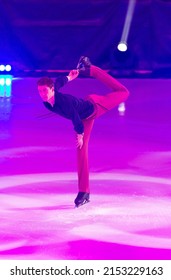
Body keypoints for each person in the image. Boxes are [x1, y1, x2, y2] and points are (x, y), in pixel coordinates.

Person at [37, 56, 129, 207]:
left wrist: (80, 134)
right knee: (81, 150)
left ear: (51, 89)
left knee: (123, 92)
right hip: (84, 113)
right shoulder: (48, 101)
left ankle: (92, 70)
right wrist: (69, 77)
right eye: (40, 91)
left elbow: (74, 117)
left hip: (95, 107)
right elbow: (59, 82)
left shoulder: (63, 102)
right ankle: (84, 192)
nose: (42, 94)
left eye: (44, 90)